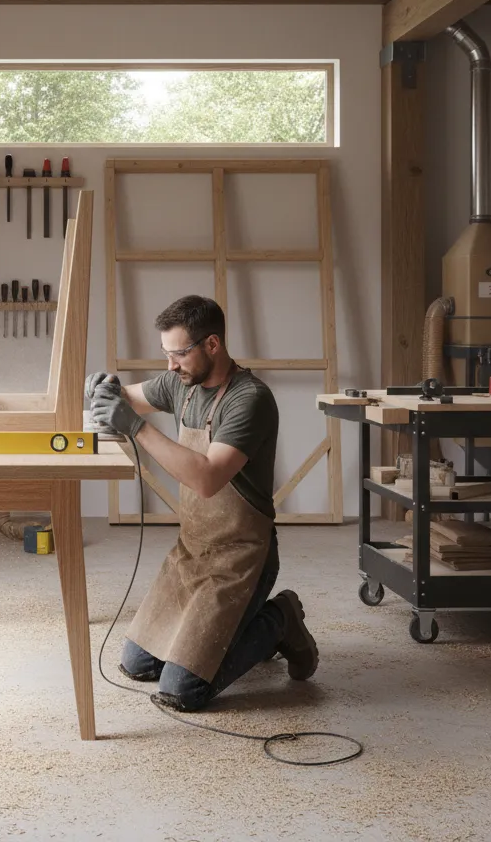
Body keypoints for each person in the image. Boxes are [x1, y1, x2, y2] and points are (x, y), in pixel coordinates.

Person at [86, 295, 318, 713]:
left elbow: (208, 478)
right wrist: (105, 388)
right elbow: (128, 396)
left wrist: (135, 427)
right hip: (193, 551)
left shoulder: (249, 399)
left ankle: (280, 619)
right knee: (137, 665)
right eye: (166, 353)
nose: (170, 365)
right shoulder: (181, 384)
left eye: (179, 353)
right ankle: (224, 635)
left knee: (182, 691)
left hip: (241, 557)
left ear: (212, 344)